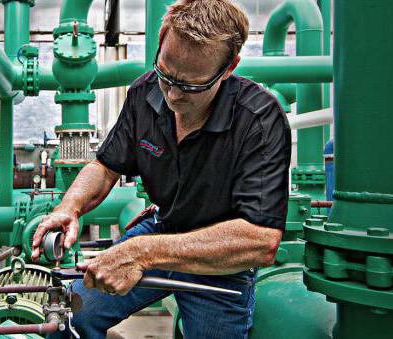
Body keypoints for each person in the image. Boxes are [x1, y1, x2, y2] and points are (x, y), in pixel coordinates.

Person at [31, 0, 291, 338]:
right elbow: (106, 165)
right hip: (162, 228)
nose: (171, 92)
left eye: (191, 85)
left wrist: (141, 252)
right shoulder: (145, 91)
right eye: (165, 73)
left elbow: (260, 241)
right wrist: (70, 206)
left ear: (229, 68)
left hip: (220, 258)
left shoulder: (259, 119)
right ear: (160, 44)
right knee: (67, 318)